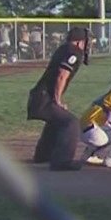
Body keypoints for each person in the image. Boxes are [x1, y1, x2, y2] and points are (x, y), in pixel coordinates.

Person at [27, 26, 90, 170]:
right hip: (43, 98)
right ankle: (61, 161)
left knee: (57, 121)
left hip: (38, 96)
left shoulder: (64, 49)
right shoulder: (74, 52)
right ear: (80, 42)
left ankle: (42, 155)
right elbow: (62, 75)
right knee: (71, 123)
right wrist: (58, 100)